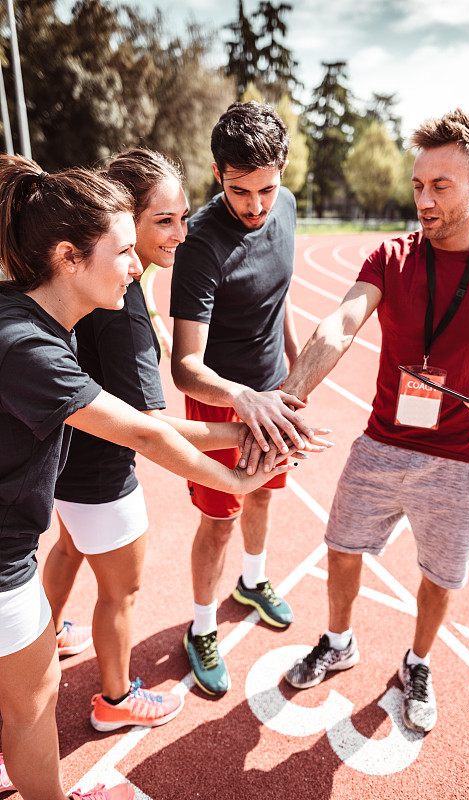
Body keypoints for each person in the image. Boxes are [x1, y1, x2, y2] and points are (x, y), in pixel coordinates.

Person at [0, 154, 300, 800]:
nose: (139, 267)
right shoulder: (34, 346)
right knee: (30, 705)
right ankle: (88, 733)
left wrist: (241, 434)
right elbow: (143, 429)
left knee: (28, 690)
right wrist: (241, 476)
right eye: (127, 249)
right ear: (68, 258)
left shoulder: (24, 318)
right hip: (4, 562)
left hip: (17, 550)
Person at [277, 109, 469, 734]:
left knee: (441, 576)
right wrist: (289, 399)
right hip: (383, 443)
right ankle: (339, 641)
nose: (423, 199)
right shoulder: (390, 256)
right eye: (418, 185)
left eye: (440, 186)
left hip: (463, 456)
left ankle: (418, 661)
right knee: (341, 550)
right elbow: (341, 323)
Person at [170, 101, 316, 697]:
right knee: (219, 519)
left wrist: (292, 379)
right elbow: (184, 367)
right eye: (239, 191)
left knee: (263, 500)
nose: (256, 206)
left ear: (283, 172)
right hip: (219, 403)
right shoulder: (199, 244)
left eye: (266, 188)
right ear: (216, 172)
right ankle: (200, 628)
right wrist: (244, 399)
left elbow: (276, 296)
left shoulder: (286, 206)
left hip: (274, 393)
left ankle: (253, 583)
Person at [42, 148, 189, 732]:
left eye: (184, 216)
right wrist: (241, 440)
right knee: (121, 592)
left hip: (64, 460)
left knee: (69, 547)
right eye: (164, 221)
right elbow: (152, 426)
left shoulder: (96, 280)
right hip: (103, 473)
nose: (180, 233)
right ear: (128, 218)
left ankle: (48, 633)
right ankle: (115, 699)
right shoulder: (121, 300)